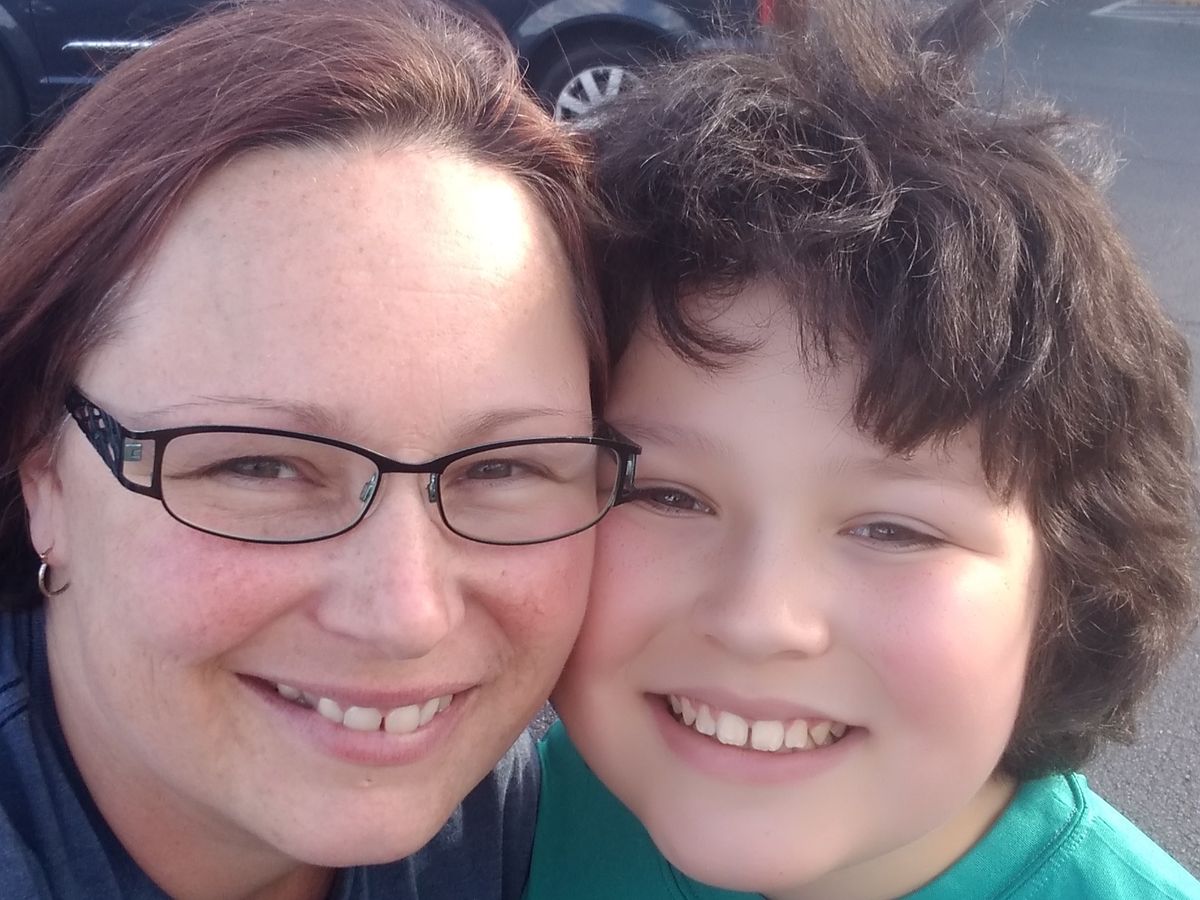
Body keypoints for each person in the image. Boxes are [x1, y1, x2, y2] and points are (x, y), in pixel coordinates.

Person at [525, 0, 1200, 896]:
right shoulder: (494, 825)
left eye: (893, 529)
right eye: (668, 496)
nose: (758, 619)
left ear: (1073, 586)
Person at [0, 0, 641, 897]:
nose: (407, 618)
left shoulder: (570, 826)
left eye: (504, 467)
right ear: (43, 467)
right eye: (258, 466)